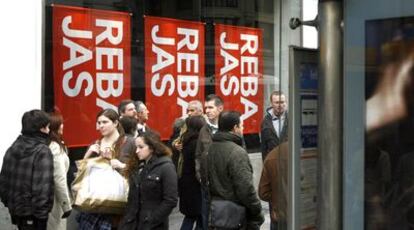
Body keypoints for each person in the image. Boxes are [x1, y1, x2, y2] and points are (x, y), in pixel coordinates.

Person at [206, 111, 264, 230]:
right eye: (241, 126)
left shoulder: (211, 148)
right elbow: (246, 189)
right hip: (237, 216)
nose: (243, 128)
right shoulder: (237, 152)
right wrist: (257, 211)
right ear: (235, 128)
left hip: (217, 212)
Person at [77, 108, 132, 229]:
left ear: (116, 123)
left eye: (105, 122)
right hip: (94, 201)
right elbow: (81, 174)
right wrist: (88, 155)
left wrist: (120, 165)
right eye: (99, 122)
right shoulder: (95, 144)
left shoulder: (128, 143)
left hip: (118, 202)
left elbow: (138, 170)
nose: (101, 126)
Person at [0, 109, 53, 230]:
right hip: (33, 214)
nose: (49, 130)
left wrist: (9, 203)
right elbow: (42, 188)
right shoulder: (42, 151)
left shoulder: (13, 147)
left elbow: (3, 180)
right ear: (41, 128)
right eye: (48, 127)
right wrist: (41, 217)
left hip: (16, 210)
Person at [118, 131, 178, 230]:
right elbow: (132, 199)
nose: (137, 151)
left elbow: (170, 200)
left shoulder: (166, 167)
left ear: (152, 147)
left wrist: (151, 220)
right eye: (136, 147)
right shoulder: (138, 166)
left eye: (141, 147)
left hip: (153, 225)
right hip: (133, 224)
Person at [195, 94, 224, 230]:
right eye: (206, 107)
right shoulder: (203, 130)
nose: (207, 111)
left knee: (224, 220)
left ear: (220, 108)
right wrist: (199, 175)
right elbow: (198, 155)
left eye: (211, 107)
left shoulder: (228, 127)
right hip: (206, 185)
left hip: (224, 186)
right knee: (206, 219)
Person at [178, 115, 206, 230]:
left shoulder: (185, 140)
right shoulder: (196, 143)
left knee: (193, 216)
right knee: (196, 217)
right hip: (195, 186)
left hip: (186, 185)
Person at [47, 113, 72, 230]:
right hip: (54, 201)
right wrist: (66, 205)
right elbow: (59, 178)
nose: (63, 126)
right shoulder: (55, 147)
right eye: (60, 123)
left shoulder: (46, 144)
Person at [258, 142, 289, 230]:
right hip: (308, 216)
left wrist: (279, 198)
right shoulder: (313, 150)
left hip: (281, 217)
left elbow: (263, 193)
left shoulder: (272, 155)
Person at [170, 100, 204, 173]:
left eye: (192, 110)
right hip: (184, 166)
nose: (189, 113)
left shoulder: (207, 125)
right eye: (188, 111)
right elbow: (171, 140)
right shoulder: (181, 125)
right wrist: (175, 144)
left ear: (200, 111)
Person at [260, 91, 288, 161]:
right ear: (271, 103)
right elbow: (264, 147)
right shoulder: (265, 122)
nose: (280, 105)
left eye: (282, 102)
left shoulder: (293, 119)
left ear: (286, 103)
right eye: (277, 102)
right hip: (273, 162)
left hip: (289, 162)